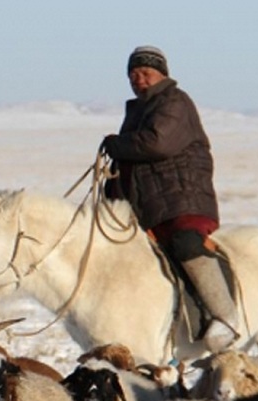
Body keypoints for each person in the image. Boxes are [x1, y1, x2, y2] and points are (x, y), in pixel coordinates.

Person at [101, 45, 239, 353]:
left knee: (185, 243)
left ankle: (224, 317)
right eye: (133, 75)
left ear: (162, 74)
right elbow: (132, 161)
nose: (139, 80)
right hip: (151, 205)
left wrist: (117, 144)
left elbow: (157, 144)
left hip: (182, 199)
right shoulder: (137, 112)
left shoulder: (175, 102)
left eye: (146, 73)